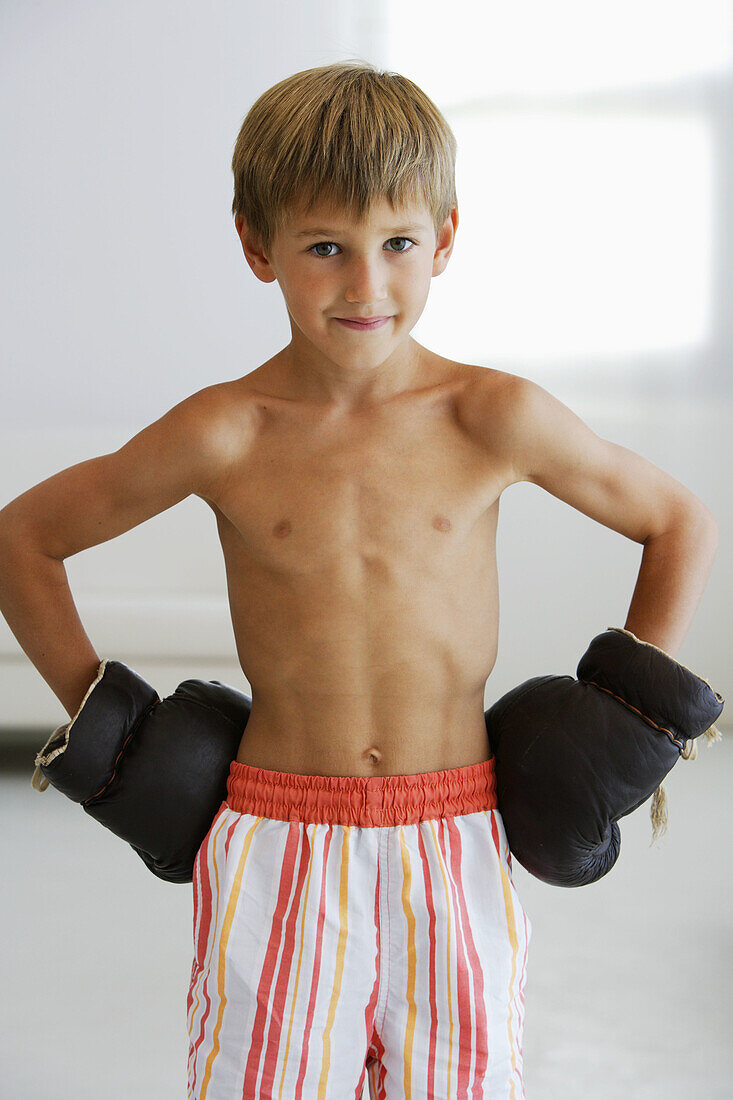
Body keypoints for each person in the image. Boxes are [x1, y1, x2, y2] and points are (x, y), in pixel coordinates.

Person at [0, 60, 719, 1099]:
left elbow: (675, 518)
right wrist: (107, 725)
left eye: (397, 245)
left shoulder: (492, 416)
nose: (365, 285)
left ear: (447, 238)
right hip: (277, 837)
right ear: (257, 246)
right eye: (325, 248)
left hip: (457, 833)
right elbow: (25, 537)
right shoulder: (225, 430)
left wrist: (627, 726)